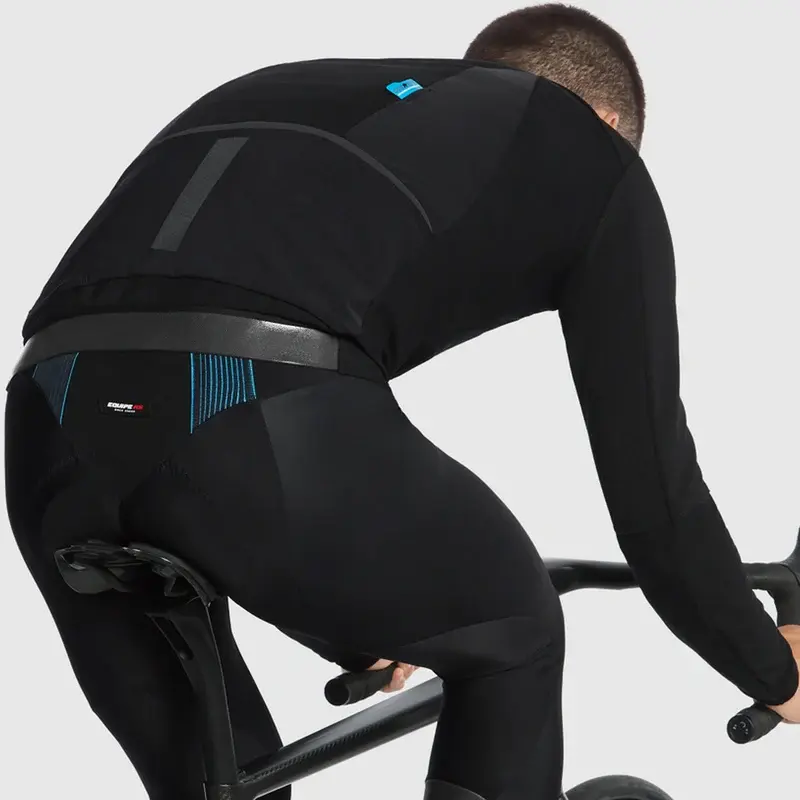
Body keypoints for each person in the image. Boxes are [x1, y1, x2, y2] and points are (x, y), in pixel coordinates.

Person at [5, 3, 800, 799]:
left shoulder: (284, 84)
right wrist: (770, 668)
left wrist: (356, 612)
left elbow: (213, 316)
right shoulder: (591, 149)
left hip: (48, 422)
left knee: (223, 778)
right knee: (512, 633)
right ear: (607, 121)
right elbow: (652, 488)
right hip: (249, 413)